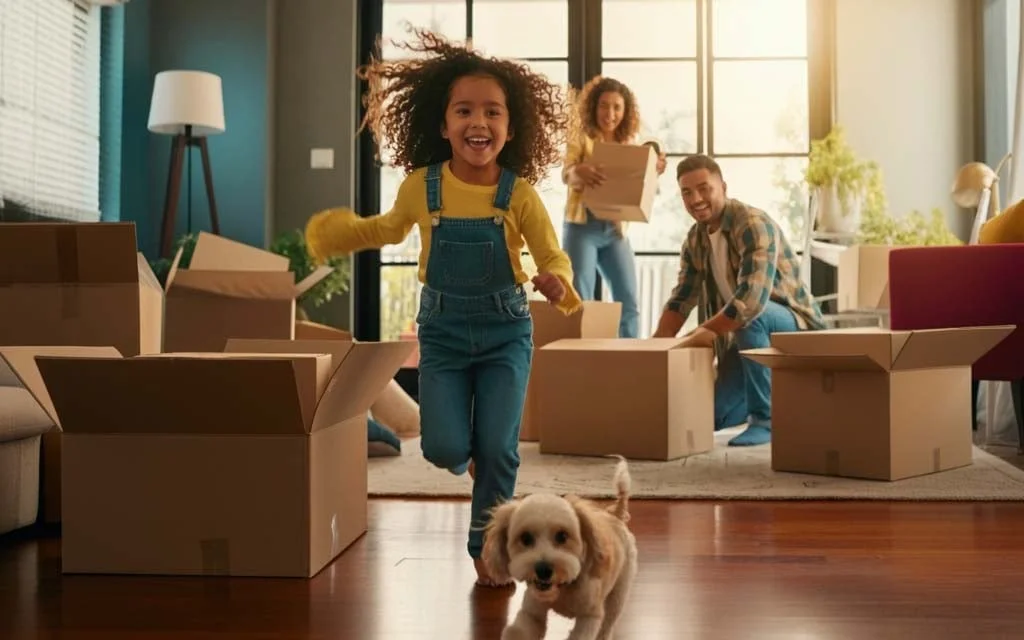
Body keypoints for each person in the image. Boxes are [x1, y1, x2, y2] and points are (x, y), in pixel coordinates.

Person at [304, 28, 581, 587]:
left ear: (510, 126)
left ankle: (488, 547)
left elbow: (553, 255)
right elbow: (385, 228)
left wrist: (559, 283)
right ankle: (477, 460)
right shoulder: (420, 186)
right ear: (442, 123)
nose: (479, 123)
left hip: (506, 332)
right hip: (445, 334)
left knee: (501, 449)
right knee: (444, 446)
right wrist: (340, 234)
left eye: (493, 113)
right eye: (464, 111)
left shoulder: (518, 193)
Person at [652, 154, 825, 447]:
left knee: (751, 315)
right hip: (746, 338)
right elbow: (681, 298)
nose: (696, 199)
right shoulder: (695, 239)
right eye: (686, 192)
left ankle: (766, 420)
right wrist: (656, 345)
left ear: (723, 187)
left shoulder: (752, 223)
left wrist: (701, 332)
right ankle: (777, 397)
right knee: (708, 418)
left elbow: (751, 301)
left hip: (793, 328)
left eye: (704, 188)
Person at [561, 76, 667, 338]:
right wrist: (579, 171)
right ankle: (580, 356)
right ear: (594, 107)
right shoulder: (581, 137)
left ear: (625, 111)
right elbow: (566, 175)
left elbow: (645, 179)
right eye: (604, 106)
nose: (610, 113)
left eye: (617, 107)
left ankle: (628, 359)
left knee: (628, 300)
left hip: (615, 229)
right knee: (580, 298)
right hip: (582, 226)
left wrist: (655, 170)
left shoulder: (630, 142)